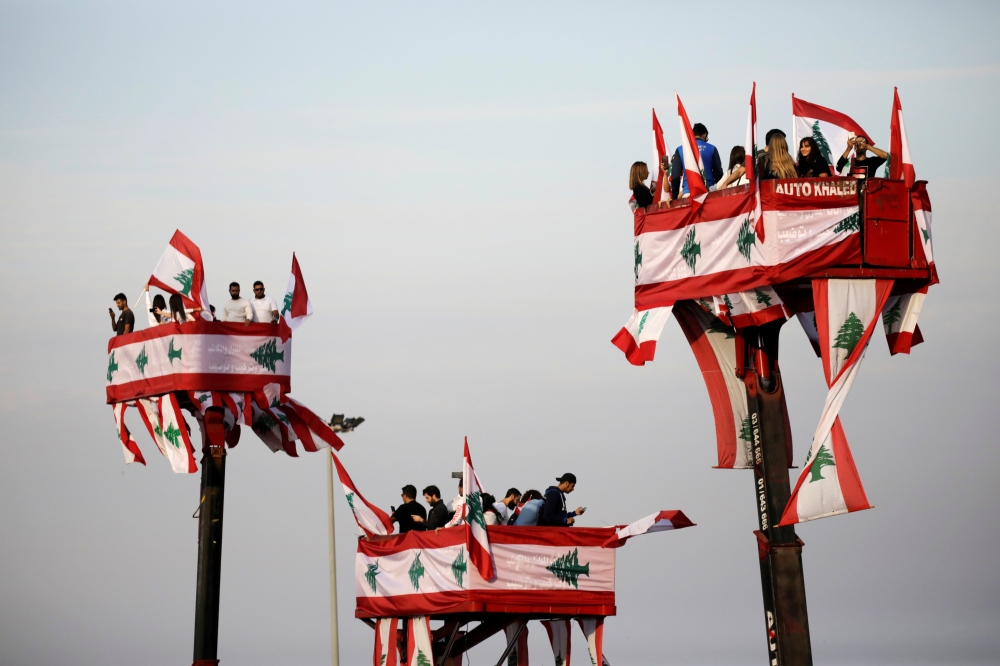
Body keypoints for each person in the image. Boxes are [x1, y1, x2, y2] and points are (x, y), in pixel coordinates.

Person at [670, 123, 724, 199]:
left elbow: (675, 176)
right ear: (704, 135)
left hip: (689, 193)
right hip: (709, 192)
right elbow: (718, 174)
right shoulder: (712, 148)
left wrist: (674, 198)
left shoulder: (680, 150)